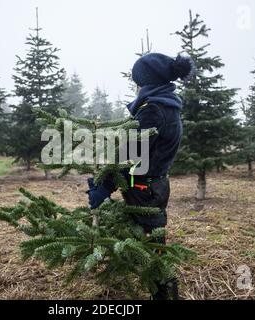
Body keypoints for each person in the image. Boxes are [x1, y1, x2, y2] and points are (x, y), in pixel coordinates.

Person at [87, 52, 195, 300]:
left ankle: (165, 295)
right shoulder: (165, 104)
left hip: (145, 189)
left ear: (147, 81)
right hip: (152, 185)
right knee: (152, 241)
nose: (136, 86)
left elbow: (132, 154)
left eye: (138, 81)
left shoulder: (153, 110)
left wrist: (105, 186)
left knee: (153, 247)